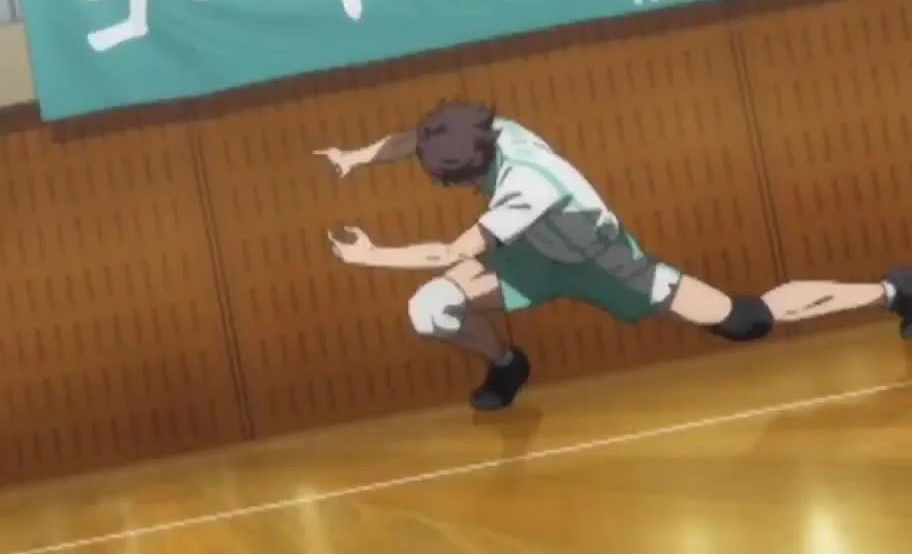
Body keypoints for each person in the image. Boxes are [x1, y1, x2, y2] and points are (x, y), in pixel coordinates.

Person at [316, 102, 912, 412]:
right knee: (429, 310)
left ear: (469, 169)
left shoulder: (526, 185)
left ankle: (894, 290)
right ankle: (506, 364)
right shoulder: (496, 131)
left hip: (608, 267)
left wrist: (370, 256)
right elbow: (412, 140)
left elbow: (450, 250)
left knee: (745, 320)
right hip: (530, 261)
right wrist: (356, 157)